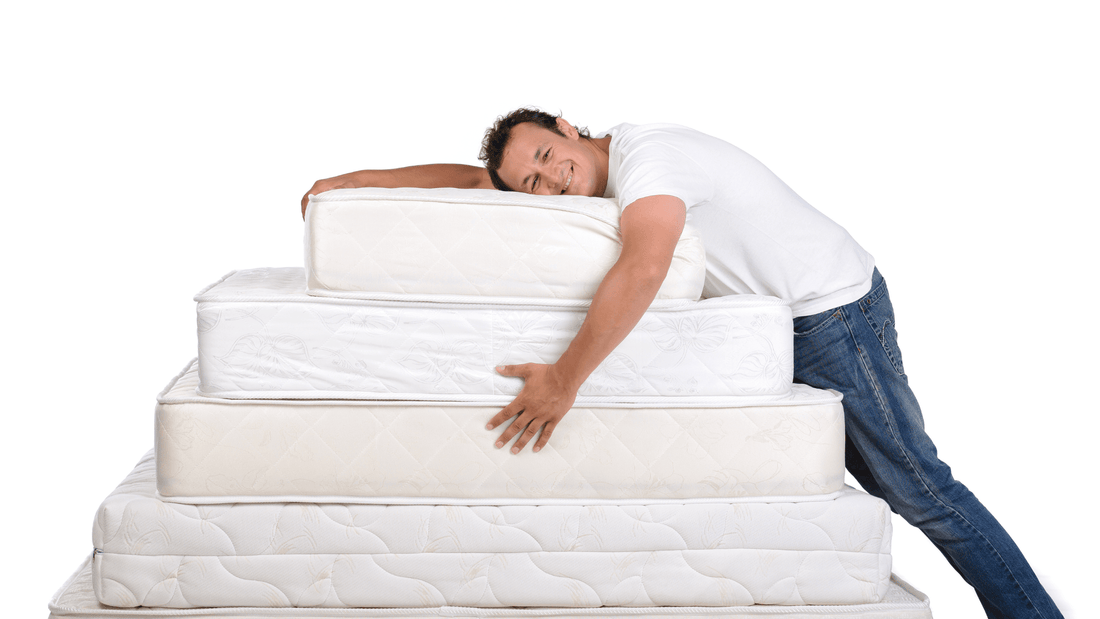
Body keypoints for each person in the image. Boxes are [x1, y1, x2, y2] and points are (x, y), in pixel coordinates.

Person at [301, 108, 1062, 619]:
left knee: (924, 492)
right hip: (788, 325)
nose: (549, 178)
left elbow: (643, 266)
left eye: (546, 157)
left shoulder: (649, 162)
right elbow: (473, 181)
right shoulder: (596, 165)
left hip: (836, 316)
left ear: (569, 127)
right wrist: (352, 185)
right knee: (873, 497)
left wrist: (563, 382)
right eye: (531, 180)